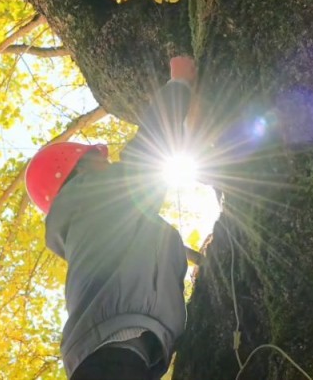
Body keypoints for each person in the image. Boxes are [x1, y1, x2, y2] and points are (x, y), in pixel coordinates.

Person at [25, 57, 197, 380]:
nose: (107, 160)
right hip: (112, 359)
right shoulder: (93, 196)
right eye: (98, 158)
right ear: (82, 169)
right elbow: (148, 154)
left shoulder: (90, 222)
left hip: (113, 357)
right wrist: (179, 84)